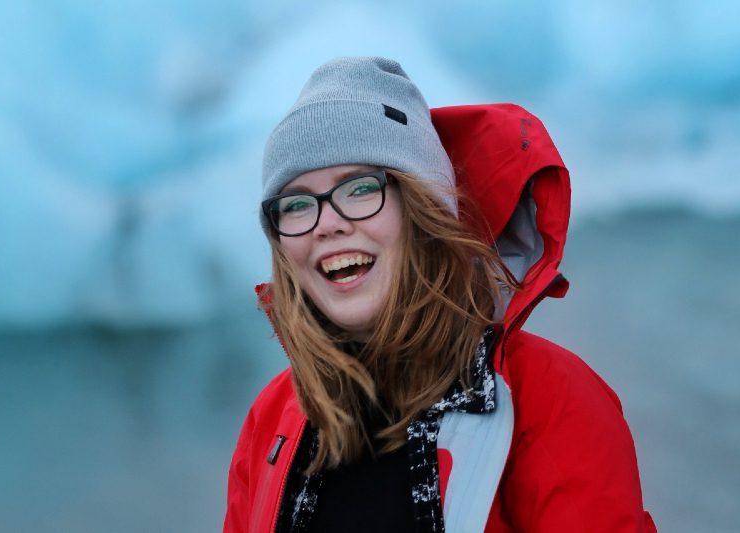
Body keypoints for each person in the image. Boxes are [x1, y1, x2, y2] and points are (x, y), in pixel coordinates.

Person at [223, 56, 657, 533]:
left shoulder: (548, 397)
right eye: (297, 204)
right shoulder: (271, 420)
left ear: (426, 211)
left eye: (360, 188)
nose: (327, 223)